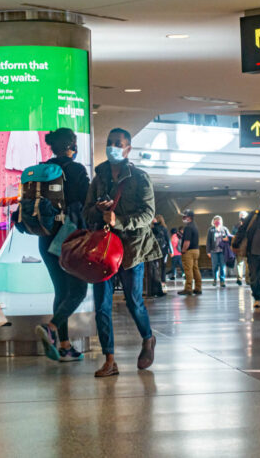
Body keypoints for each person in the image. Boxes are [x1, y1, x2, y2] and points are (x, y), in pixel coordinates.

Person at [83, 128, 160, 377]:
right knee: (102, 306)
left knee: (133, 301)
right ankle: (109, 360)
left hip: (131, 250)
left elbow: (148, 214)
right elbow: (86, 213)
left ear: (128, 149)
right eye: (110, 142)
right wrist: (97, 209)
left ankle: (148, 339)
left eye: (118, 143)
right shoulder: (99, 178)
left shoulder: (139, 177)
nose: (113, 147)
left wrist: (119, 221)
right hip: (103, 250)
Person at [34, 128, 91, 362]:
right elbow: (86, 204)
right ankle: (52, 327)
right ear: (71, 146)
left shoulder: (41, 171)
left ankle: (65, 346)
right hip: (68, 238)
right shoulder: (76, 170)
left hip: (45, 237)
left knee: (61, 290)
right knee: (78, 290)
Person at [177, 209, 202, 296]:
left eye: (185, 216)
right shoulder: (195, 226)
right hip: (196, 250)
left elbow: (187, 241)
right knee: (195, 269)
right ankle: (198, 288)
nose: (183, 218)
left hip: (189, 251)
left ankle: (188, 289)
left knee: (188, 270)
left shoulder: (188, 227)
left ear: (189, 217)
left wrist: (183, 251)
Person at [148, 215, 171, 297]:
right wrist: (170, 250)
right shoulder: (163, 229)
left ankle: (160, 283)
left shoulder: (154, 228)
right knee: (161, 267)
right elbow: (168, 239)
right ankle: (162, 281)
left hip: (156, 250)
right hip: (163, 250)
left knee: (156, 267)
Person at [206, 215, 231, 288]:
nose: (217, 221)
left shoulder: (224, 229)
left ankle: (222, 281)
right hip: (214, 251)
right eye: (216, 220)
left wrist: (225, 236)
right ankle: (215, 279)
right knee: (215, 266)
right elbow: (208, 241)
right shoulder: (211, 230)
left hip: (223, 251)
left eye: (218, 220)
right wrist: (208, 251)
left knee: (223, 266)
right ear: (213, 222)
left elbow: (229, 238)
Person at [232, 211, 249, 285]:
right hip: (239, 247)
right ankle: (239, 278)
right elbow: (234, 236)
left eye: (244, 216)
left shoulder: (250, 225)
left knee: (248, 264)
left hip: (246, 247)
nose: (242, 217)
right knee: (239, 264)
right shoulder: (236, 226)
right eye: (241, 216)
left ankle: (248, 279)